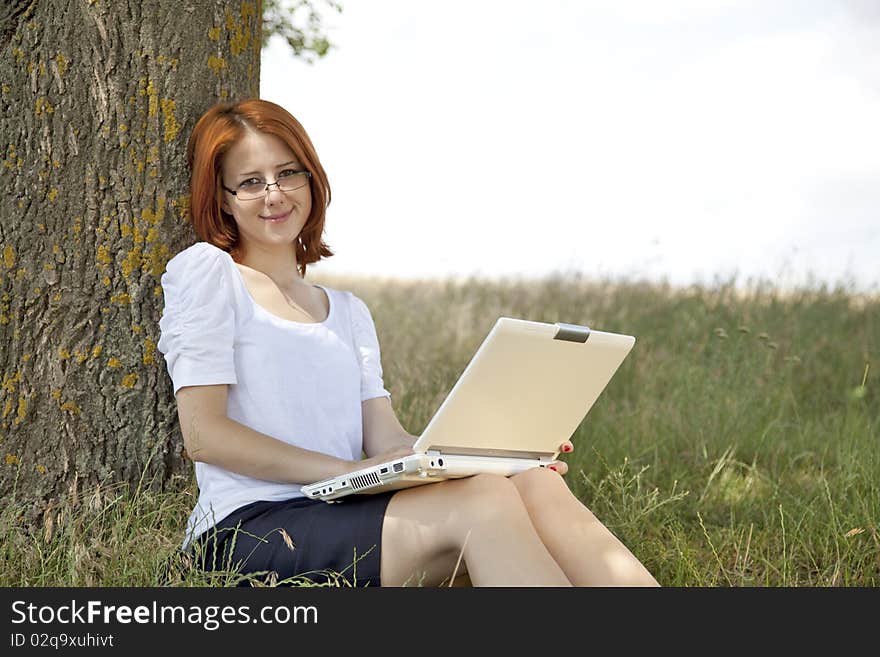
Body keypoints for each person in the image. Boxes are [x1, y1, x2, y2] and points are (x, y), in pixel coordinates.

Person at [157, 98, 659, 587]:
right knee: (484, 504)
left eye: (288, 173)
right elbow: (206, 435)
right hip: (251, 526)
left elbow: (388, 440)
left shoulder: (347, 311)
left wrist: (501, 456)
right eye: (250, 182)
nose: (275, 194)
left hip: (346, 507)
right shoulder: (209, 274)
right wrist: (348, 471)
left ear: (311, 178)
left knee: (531, 483)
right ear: (222, 198)